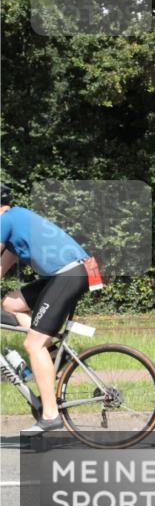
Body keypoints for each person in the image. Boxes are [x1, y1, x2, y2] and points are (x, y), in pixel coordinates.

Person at [0, 183, 102, 435]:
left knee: (33, 345)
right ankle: (56, 353)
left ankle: (50, 415)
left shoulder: (6, 219)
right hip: (70, 272)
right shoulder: (16, 221)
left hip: (68, 274)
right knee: (11, 304)